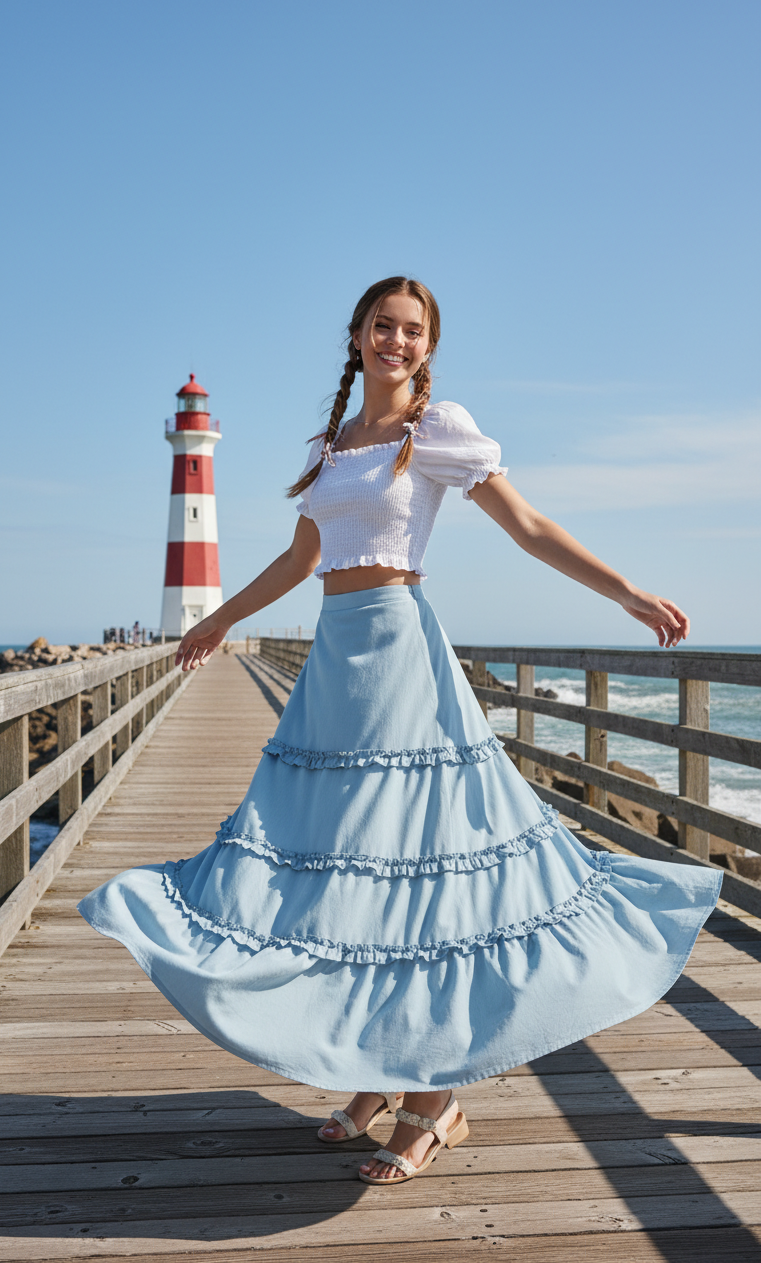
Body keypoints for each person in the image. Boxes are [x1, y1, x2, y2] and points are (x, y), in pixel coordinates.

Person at [78, 276, 722, 1186]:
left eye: (413, 332)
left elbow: (527, 525)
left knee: (419, 871)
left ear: (428, 346)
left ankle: (432, 1102)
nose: (397, 341)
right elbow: (304, 561)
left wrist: (625, 591)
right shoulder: (333, 446)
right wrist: (220, 619)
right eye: (383, 326)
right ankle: (378, 1077)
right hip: (334, 672)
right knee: (344, 867)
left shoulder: (438, 430)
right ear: (355, 336)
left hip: (401, 662)